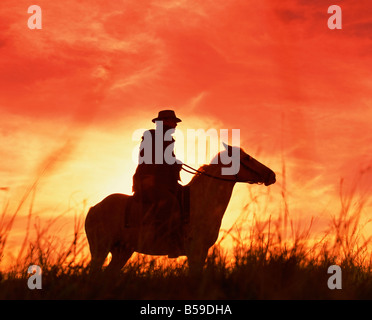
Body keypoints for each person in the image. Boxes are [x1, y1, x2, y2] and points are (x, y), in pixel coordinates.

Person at [132, 110, 183, 256]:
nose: (175, 125)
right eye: (173, 121)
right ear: (165, 121)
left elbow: (166, 161)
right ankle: (163, 238)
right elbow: (145, 156)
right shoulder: (151, 136)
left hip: (165, 183)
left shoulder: (167, 139)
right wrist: (148, 176)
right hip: (149, 181)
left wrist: (175, 163)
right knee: (169, 201)